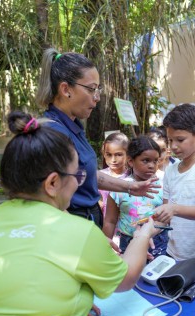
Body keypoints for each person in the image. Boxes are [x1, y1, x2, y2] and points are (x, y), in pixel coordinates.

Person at [0, 111, 156, 316]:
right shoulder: (77, 232)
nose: (78, 184)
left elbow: (11, 290)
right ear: (52, 183)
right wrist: (143, 234)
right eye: (77, 176)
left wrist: (69, 302)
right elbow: (125, 280)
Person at [35, 48, 158, 228]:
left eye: (97, 89)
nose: (97, 97)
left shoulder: (73, 126)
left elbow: (87, 175)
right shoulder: (52, 134)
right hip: (73, 226)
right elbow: (45, 198)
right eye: (91, 89)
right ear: (65, 89)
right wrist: (84, 236)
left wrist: (130, 187)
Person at [153, 104, 195, 264]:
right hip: (174, 253)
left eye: (180, 140)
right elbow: (164, 217)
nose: (173, 146)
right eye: (170, 140)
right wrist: (146, 231)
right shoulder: (170, 171)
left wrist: (173, 208)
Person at [103, 136, 169, 260]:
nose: (151, 165)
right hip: (127, 241)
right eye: (145, 160)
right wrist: (105, 247)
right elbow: (110, 221)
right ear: (131, 161)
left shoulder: (163, 185)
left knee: (154, 274)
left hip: (156, 241)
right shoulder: (119, 188)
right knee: (128, 275)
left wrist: (146, 234)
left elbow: (164, 219)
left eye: (155, 161)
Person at [98, 132, 130, 217]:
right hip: (104, 222)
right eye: (109, 155)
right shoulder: (99, 176)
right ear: (104, 154)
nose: (113, 159)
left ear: (128, 154)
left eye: (118, 155)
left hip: (125, 224)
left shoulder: (131, 177)